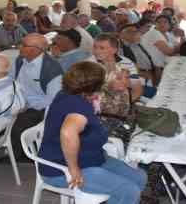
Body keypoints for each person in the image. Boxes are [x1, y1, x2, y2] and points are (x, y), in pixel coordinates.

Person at [38, 61, 147, 204]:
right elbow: (67, 132)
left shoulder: (73, 93)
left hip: (91, 159)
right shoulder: (77, 105)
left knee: (139, 177)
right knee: (128, 190)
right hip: (61, 169)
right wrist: (73, 168)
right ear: (95, 86)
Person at [6, 33, 63, 162]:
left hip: (39, 107)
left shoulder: (52, 69)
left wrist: (27, 107)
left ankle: (22, 156)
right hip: (19, 100)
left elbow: (52, 100)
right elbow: (10, 80)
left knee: (18, 126)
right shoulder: (20, 60)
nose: (19, 46)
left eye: (24, 45)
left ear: (36, 50)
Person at [91, 33, 144, 102]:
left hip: (121, 103)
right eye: (95, 47)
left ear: (114, 50)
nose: (96, 51)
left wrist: (124, 104)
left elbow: (137, 90)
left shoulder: (127, 63)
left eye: (102, 48)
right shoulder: (89, 63)